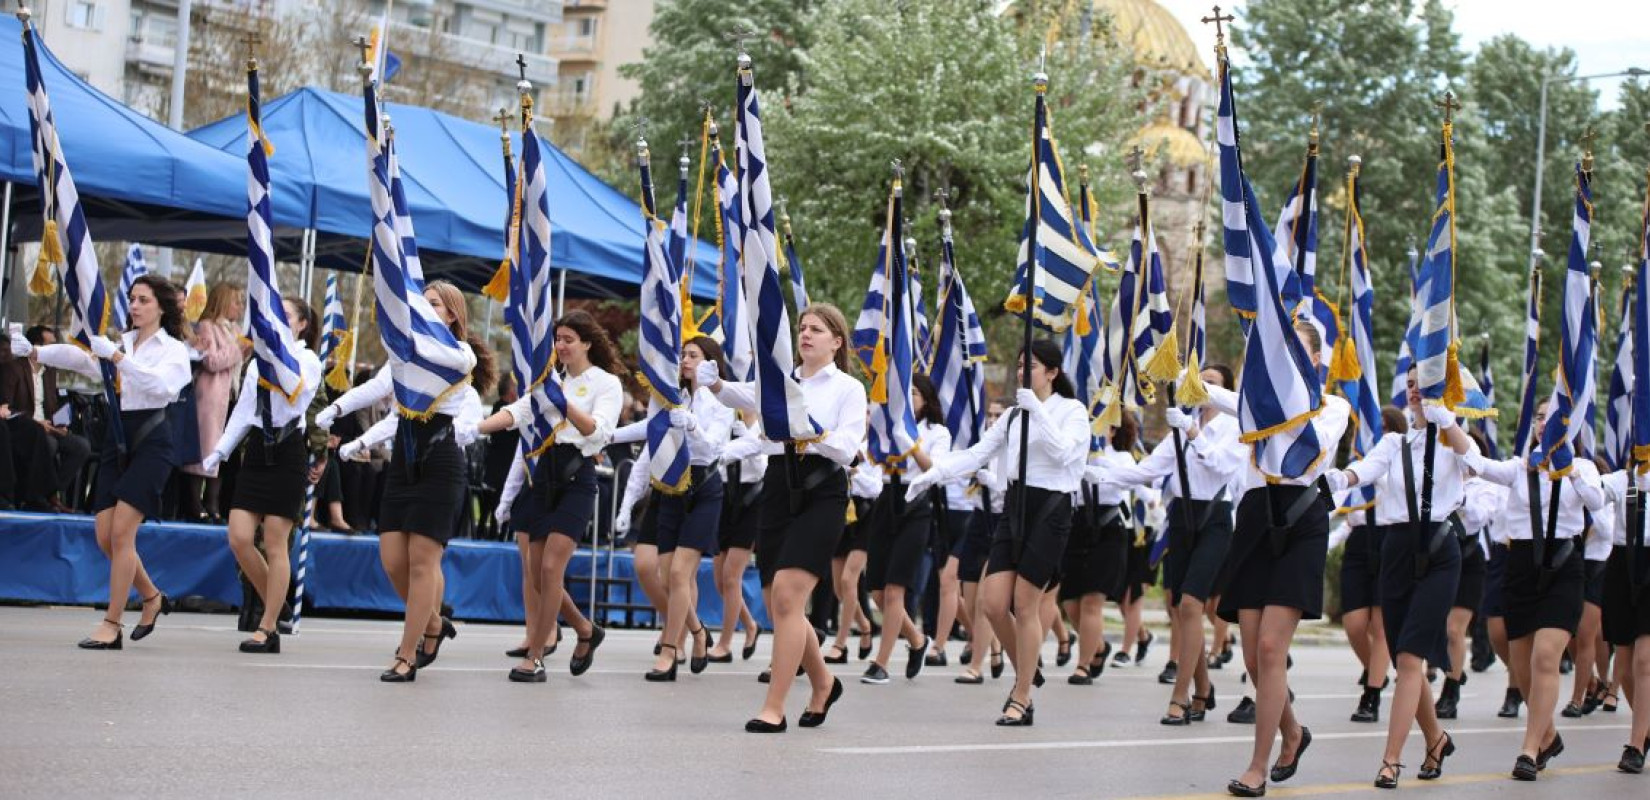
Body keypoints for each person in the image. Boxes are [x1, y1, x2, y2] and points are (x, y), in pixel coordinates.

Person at [317, 281, 494, 681]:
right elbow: (381, 389)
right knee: (392, 560)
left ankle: (407, 652)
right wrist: (337, 409)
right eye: (421, 304)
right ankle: (433, 624)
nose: (424, 310)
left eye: (433, 305)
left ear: (452, 315)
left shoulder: (458, 354)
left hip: (440, 464)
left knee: (421, 564)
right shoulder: (405, 352)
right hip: (404, 463)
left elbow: (437, 374)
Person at [700, 304, 866, 732]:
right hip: (777, 488)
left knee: (790, 598)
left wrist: (813, 431)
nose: (805, 334)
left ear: (836, 341)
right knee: (780, 603)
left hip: (821, 489)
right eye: (802, 328)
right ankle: (824, 682)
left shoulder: (848, 388)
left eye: (816, 329)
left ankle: (773, 707)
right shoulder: (782, 382)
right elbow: (745, 395)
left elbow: (848, 450)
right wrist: (715, 383)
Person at [1202, 321, 1350, 797]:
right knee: (1252, 654)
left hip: (1303, 517)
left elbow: (1304, 451)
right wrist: (1188, 380)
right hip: (1255, 517)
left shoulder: (1334, 408)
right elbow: (1224, 400)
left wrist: (1242, 400)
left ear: (1317, 362)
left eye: (1297, 356)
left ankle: (1257, 766)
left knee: (1270, 650)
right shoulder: (1255, 404)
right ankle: (1293, 732)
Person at [907, 339, 1089, 725]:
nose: (1023, 372)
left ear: (1052, 373)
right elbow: (975, 454)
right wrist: (933, 474)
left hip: (1052, 508)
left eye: (1032, 366)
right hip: (1015, 506)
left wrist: (1035, 409)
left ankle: (1022, 694)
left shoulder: (1071, 411)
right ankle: (1028, 667)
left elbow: (1064, 454)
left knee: (1024, 603)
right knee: (991, 602)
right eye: (1020, 365)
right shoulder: (1013, 417)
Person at [22, 276, 192, 648]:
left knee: (121, 534)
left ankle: (111, 624)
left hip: (152, 440)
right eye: (132, 298)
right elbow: (83, 361)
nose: (134, 305)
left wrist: (117, 358)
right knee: (104, 536)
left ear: (161, 307)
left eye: (143, 300)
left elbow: (161, 387)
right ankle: (152, 596)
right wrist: (36, 352)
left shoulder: (174, 350)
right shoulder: (124, 342)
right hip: (118, 438)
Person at [1327, 369, 1474, 787]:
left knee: (1410, 658)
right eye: (1410, 384)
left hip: (1439, 551)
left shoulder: (1453, 440)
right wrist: (1339, 479)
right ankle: (1436, 739)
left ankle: (1390, 759)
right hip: (1396, 549)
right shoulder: (1394, 442)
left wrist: (1447, 420)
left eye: (1422, 383)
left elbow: (1474, 462)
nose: (1413, 391)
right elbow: (1366, 470)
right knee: (1403, 658)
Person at [473, 308, 621, 684]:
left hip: (577, 476)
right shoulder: (548, 381)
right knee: (537, 575)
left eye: (569, 339)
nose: (561, 346)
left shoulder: (605, 383)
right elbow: (517, 412)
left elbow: (598, 432)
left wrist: (561, 401)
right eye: (558, 339)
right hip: (543, 476)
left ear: (587, 343)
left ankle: (536, 656)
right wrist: (475, 429)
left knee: (552, 569)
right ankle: (586, 629)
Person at [1090, 365, 1243, 723]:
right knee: (1179, 607)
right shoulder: (1180, 425)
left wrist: (1192, 431)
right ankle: (1204, 689)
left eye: (1212, 383)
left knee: (1192, 605)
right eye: (1199, 379)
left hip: (1215, 518)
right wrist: (1098, 474)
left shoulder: (1234, 427)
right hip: (1181, 518)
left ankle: (1180, 697)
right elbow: (1148, 472)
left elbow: (1221, 466)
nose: (1203, 387)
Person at [1464, 400, 1605, 780]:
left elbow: (1597, 501)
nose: (1544, 424)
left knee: (1545, 657)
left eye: (1554, 419)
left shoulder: (1584, 467)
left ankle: (1529, 748)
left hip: (1563, 567)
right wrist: (1448, 422)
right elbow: (1478, 464)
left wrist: (1570, 470)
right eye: (1540, 417)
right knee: (1522, 664)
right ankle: (1549, 735)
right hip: (1521, 567)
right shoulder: (1519, 468)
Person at [199, 298, 324, 653]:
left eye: (286, 317)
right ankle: (276, 599)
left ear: (302, 325)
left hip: (288, 450)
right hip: (257, 449)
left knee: (274, 542)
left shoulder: (307, 361)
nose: (278, 321)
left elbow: (295, 394)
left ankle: (267, 627)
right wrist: (220, 450)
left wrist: (275, 354)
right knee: (238, 536)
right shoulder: (258, 362)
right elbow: (243, 411)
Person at [638, 335, 734, 680]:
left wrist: (692, 425)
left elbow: (714, 448)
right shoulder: (674, 396)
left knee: (680, 573)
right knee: (666, 575)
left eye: (693, 355)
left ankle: (669, 650)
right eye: (683, 355)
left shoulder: (723, 400)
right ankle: (698, 631)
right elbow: (651, 434)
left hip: (705, 487)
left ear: (711, 362)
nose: (685, 360)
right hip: (672, 485)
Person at [860, 373, 948, 685]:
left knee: (896, 588)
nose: (908, 398)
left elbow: (933, 469)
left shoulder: (937, 432)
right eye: (904, 392)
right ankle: (917, 639)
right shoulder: (887, 428)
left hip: (916, 503)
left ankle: (881, 663)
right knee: (878, 591)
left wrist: (907, 440)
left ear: (926, 398)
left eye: (913, 393)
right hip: (887, 499)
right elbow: (870, 460)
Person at [1338, 407, 1406, 726]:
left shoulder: (1399, 464)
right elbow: (1339, 501)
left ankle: (1372, 694)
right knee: (1353, 623)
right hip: (1359, 540)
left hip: (1388, 537)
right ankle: (1375, 670)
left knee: (1380, 626)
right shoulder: (1355, 465)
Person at [1063, 414, 1140, 684]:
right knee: (1070, 601)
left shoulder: (1121, 457)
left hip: (1108, 527)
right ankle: (1097, 647)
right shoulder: (1076, 452)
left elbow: (1129, 480)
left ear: (1113, 429)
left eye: (1102, 426)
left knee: (1091, 601)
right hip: (1079, 524)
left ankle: (1083, 666)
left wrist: (1100, 460)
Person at [1436, 429, 1504, 720]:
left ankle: (1451, 691)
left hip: (1469, 556)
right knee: (1437, 627)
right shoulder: (1440, 478)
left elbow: (1480, 515)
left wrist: (1458, 494)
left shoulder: (1484, 485)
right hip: (1438, 552)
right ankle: (1453, 671)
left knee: (1454, 629)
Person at [1598, 463, 1650, 773]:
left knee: (1644, 660)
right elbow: (1593, 496)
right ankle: (1645, 729)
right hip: (1623, 562)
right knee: (1626, 665)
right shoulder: (1622, 479)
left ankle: (1635, 743)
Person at [182, 283, 249, 523]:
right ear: (222, 302)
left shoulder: (236, 329)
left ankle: (214, 503)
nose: (240, 307)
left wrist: (244, 351)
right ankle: (195, 503)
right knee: (205, 451)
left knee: (222, 452)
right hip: (210, 396)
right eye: (236, 301)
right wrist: (238, 349)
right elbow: (210, 361)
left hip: (230, 397)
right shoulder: (207, 327)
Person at [709, 412, 767, 663]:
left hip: (751, 498)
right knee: (720, 581)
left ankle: (725, 643)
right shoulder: (723, 417)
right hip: (724, 495)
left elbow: (763, 467)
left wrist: (747, 440)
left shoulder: (761, 420)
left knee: (732, 577)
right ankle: (750, 625)